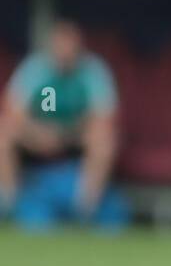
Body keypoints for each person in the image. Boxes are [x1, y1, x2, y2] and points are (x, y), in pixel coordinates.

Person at [0, 21, 127, 230]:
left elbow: (104, 116)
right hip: (37, 137)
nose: (65, 54)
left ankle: (85, 209)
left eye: (70, 48)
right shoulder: (34, 68)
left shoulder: (93, 70)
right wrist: (39, 133)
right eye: (60, 48)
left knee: (104, 139)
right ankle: (10, 206)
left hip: (75, 135)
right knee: (3, 133)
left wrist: (69, 132)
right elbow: (14, 113)